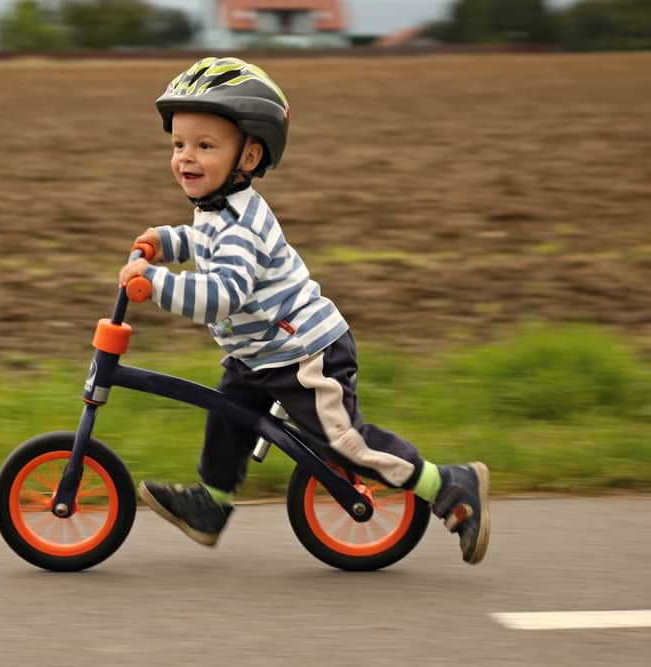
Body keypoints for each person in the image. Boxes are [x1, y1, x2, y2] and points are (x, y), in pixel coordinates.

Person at [118, 57, 490, 565]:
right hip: (260, 351)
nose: (186, 157)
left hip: (305, 353)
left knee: (346, 444)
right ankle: (213, 504)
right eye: (179, 144)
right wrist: (167, 241)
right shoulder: (217, 210)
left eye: (205, 146)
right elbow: (203, 241)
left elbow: (223, 292)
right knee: (228, 416)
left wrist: (154, 284)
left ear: (248, 156)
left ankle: (449, 484)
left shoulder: (243, 226)